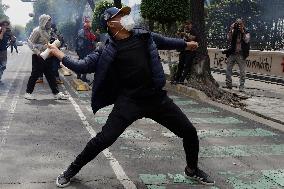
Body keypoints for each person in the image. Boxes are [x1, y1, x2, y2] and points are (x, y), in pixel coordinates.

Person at [48, 7, 214, 188]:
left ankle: (192, 169)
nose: (126, 17)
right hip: (129, 102)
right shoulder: (106, 49)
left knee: (189, 132)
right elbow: (82, 66)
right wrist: (60, 55)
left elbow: (164, 41)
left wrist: (186, 44)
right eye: (120, 15)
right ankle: (70, 171)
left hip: (156, 99)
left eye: (125, 14)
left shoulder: (143, 35)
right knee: (104, 139)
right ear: (111, 24)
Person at [24, 14, 68, 100]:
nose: (50, 23)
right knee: (35, 75)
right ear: (43, 21)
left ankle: (56, 93)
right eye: (48, 21)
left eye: (50, 21)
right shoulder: (37, 31)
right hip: (38, 57)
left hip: (48, 56)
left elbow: (51, 41)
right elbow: (30, 43)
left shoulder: (50, 31)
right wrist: (38, 52)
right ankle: (28, 93)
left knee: (50, 75)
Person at [224, 18, 250, 92]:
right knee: (228, 69)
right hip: (232, 53)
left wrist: (242, 31)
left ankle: (241, 87)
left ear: (243, 24)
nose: (238, 25)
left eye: (240, 23)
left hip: (241, 54)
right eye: (237, 23)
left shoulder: (246, 31)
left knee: (242, 72)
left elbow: (247, 40)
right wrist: (231, 29)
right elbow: (228, 38)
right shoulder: (233, 30)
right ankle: (228, 85)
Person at [75, 18, 97, 83]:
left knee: (80, 63)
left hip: (80, 50)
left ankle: (79, 76)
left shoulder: (80, 31)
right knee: (86, 64)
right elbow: (94, 38)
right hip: (86, 50)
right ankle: (83, 77)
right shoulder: (88, 33)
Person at [0, 20, 12, 84]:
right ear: (1, 25)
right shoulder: (0, 30)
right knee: (0, 65)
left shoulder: (8, 31)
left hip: (4, 51)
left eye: (6, 25)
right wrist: (2, 32)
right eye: (3, 25)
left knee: (3, 66)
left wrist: (12, 39)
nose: (5, 26)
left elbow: (12, 39)